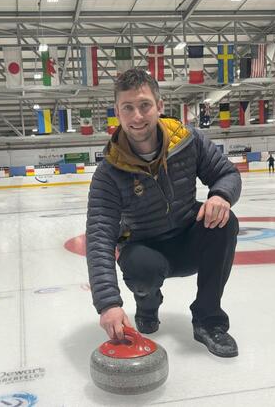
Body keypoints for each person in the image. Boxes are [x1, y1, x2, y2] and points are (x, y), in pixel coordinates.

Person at [86, 68, 242, 358]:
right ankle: (147, 304)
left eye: (144, 105)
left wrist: (221, 195)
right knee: (139, 266)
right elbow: (98, 237)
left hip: (188, 237)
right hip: (145, 249)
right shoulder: (109, 172)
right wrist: (108, 304)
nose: (137, 117)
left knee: (225, 222)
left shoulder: (188, 140)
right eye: (127, 108)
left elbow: (226, 173)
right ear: (117, 113)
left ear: (159, 106)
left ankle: (209, 321)